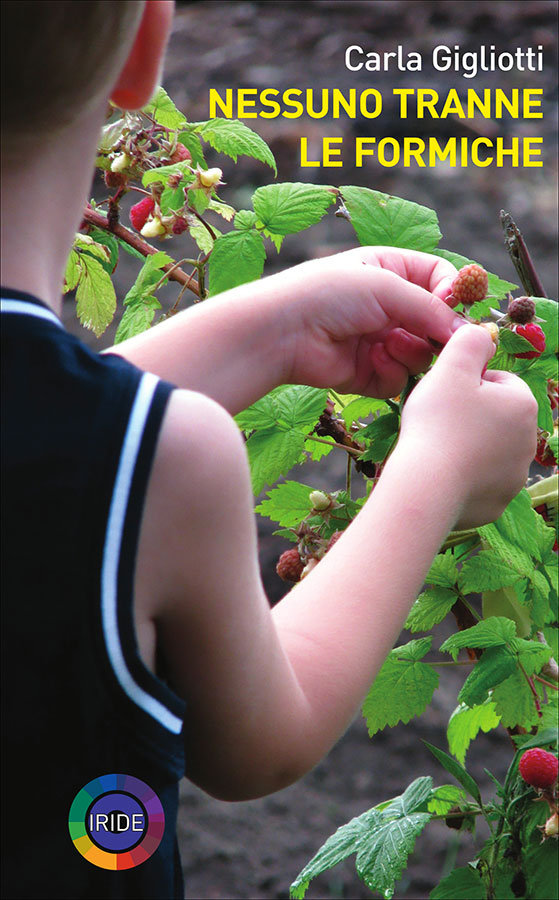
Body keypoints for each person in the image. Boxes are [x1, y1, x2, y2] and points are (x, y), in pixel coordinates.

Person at [0, 2, 537, 898]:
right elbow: (259, 741)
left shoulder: (130, 455)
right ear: (145, 44)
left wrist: (274, 331)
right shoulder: (172, 464)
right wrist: (436, 468)